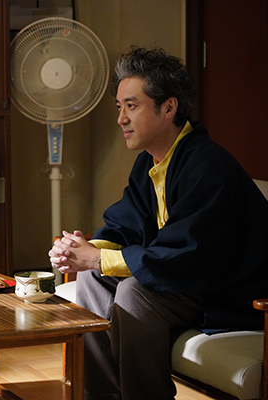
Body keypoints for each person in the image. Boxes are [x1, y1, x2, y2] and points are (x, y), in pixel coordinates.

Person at [48, 47, 268, 400]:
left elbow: (186, 252)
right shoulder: (149, 163)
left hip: (228, 294)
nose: (121, 119)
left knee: (134, 293)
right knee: (91, 278)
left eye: (131, 106)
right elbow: (124, 226)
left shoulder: (208, 166)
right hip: (185, 280)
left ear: (168, 108)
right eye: (119, 107)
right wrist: (80, 252)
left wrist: (96, 257)